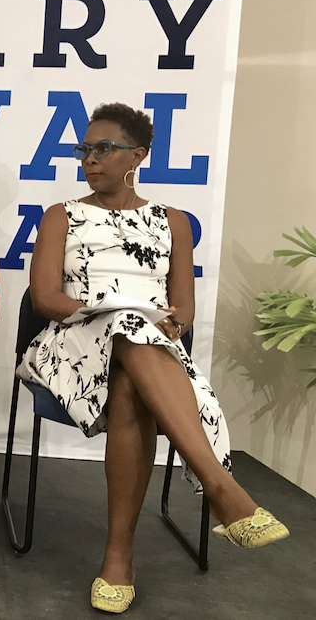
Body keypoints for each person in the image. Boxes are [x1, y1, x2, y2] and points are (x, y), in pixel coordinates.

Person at [17, 103, 289, 613]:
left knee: (129, 385)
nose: (90, 159)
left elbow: (181, 305)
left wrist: (173, 323)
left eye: (103, 149)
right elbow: (45, 299)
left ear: (137, 156)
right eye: (85, 150)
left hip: (145, 346)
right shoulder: (63, 215)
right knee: (124, 324)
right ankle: (219, 487)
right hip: (71, 340)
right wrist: (110, 307)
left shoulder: (173, 222)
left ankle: (119, 556)